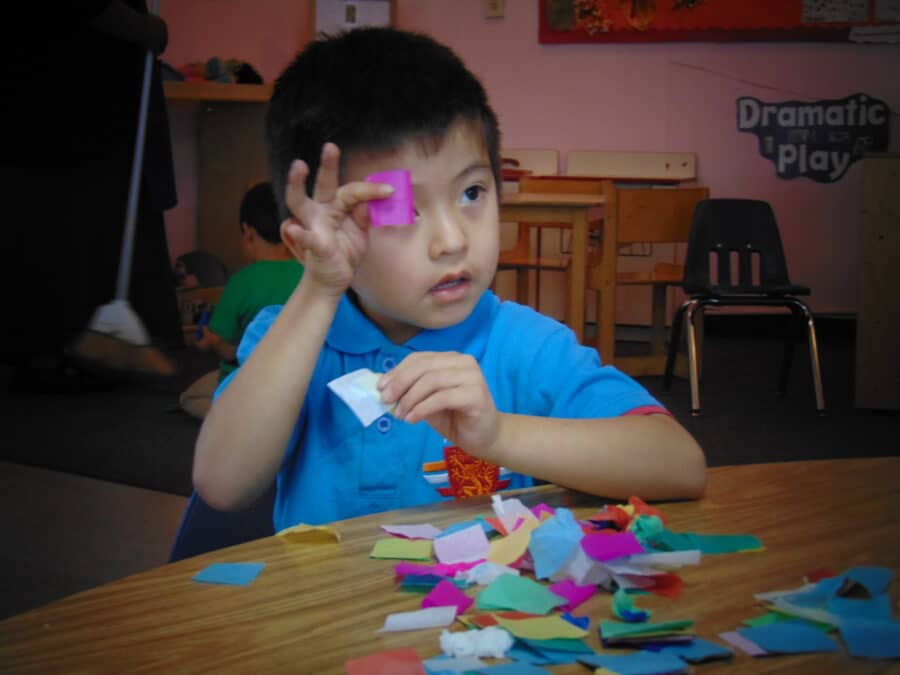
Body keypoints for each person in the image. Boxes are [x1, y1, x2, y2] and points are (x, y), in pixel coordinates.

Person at [193, 28, 706, 531]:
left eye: (472, 192)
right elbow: (222, 484)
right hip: (327, 616)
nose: (452, 240)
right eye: (402, 209)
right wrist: (319, 288)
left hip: (482, 615)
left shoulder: (526, 346)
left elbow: (679, 464)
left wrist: (500, 434)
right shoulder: (290, 341)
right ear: (309, 237)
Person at [3, 1, 183, 391]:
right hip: (69, 124)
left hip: (87, 120)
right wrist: (146, 28)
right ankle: (59, 354)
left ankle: (75, 353)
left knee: (91, 229)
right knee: (66, 233)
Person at [180, 183, 304, 418]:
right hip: (299, 384)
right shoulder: (310, 275)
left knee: (190, 397)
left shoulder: (241, 282)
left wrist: (206, 341)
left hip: (246, 388)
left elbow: (224, 348)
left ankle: (237, 422)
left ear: (248, 231)